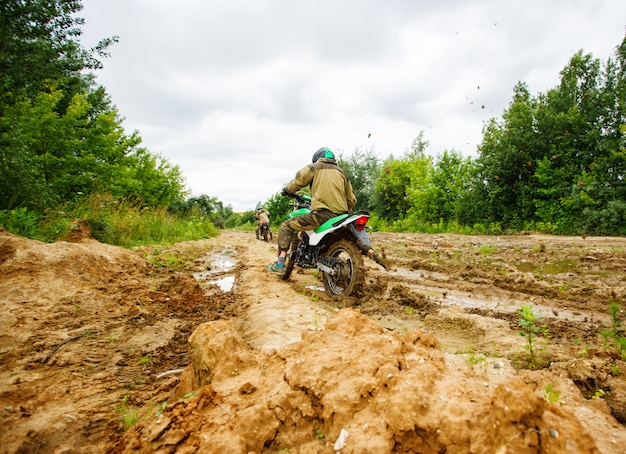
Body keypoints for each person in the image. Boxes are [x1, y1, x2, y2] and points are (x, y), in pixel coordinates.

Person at [266, 147, 357, 274]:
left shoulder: (314, 167)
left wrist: (287, 190)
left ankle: (280, 263)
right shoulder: (342, 172)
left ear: (317, 158)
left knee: (286, 226)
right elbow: (352, 200)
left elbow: (298, 181)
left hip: (322, 215)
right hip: (342, 216)